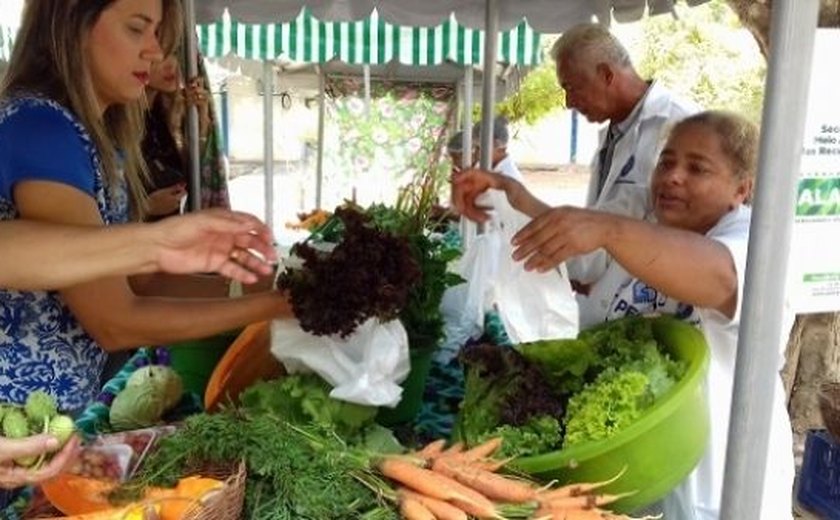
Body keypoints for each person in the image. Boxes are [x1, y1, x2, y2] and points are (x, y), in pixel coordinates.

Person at [452, 110, 794, 519]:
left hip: (719, 488)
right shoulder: (648, 226)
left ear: (742, 189)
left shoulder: (755, 239)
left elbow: (721, 277)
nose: (672, 176)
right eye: (666, 162)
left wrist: (607, 229)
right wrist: (508, 190)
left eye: (696, 168)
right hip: (637, 479)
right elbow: (576, 238)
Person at [0, 0, 291, 416]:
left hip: (43, 425)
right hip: (15, 428)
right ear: (71, 26)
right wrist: (276, 306)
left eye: (156, 33)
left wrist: (263, 287)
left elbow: (141, 280)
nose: (154, 51)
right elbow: (114, 320)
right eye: (137, 29)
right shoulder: (41, 127)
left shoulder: (97, 134)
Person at [0, 208, 274, 489]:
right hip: (35, 390)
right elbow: (115, 322)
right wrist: (274, 304)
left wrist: (154, 245)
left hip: (56, 396)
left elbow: (134, 282)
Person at [551, 23, 700, 285]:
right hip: (606, 300)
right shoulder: (613, 132)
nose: (569, 103)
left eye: (572, 88)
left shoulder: (682, 125)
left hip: (657, 301)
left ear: (607, 74)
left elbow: (694, 232)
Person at [143, 47, 228, 219]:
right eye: (160, 56)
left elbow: (190, 172)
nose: (171, 64)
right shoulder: (122, 123)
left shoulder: (165, 113)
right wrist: (145, 207)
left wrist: (200, 119)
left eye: (174, 53)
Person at [471, 116, 523, 182]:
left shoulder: (510, 177)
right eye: (475, 148)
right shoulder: (480, 165)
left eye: (479, 148)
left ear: (497, 144)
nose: (476, 153)